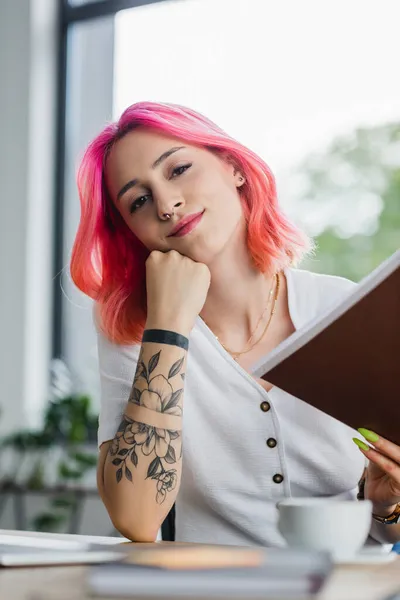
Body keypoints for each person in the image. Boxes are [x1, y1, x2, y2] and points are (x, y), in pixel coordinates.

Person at [70, 101, 400, 546]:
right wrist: (167, 326)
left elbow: (387, 527)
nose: (166, 204)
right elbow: (137, 519)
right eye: (139, 200)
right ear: (132, 231)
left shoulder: (339, 307)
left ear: (234, 167)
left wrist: (387, 508)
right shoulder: (134, 332)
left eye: (178, 169)